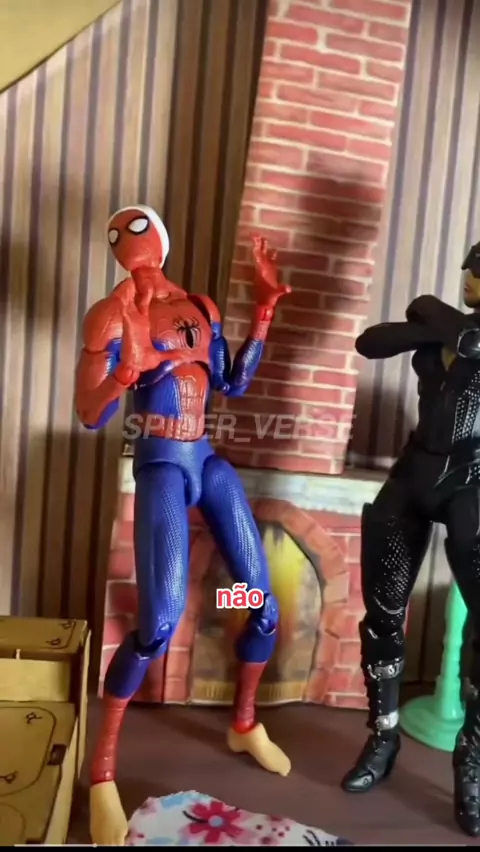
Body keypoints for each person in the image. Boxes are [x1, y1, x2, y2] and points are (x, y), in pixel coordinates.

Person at [74, 205, 291, 845]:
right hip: (162, 464)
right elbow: (89, 413)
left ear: (161, 238)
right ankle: (102, 772)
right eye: (117, 233)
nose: (127, 238)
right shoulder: (110, 314)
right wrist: (125, 370)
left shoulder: (199, 306)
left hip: (206, 460)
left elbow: (233, 382)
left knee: (261, 604)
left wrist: (264, 311)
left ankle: (244, 723)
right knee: (159, 624)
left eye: (136, 227)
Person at [342, 242, 480, 838]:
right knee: (382, 615)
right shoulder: (445, 331)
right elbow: (369, 342)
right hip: (415, 473)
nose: (468, 278)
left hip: (474, 484)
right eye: (468, 270)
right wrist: (432, 318)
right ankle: (384, 736)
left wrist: (432, 312)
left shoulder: (456, 331)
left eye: (478, 273)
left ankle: (471, 762)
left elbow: (472, 342)